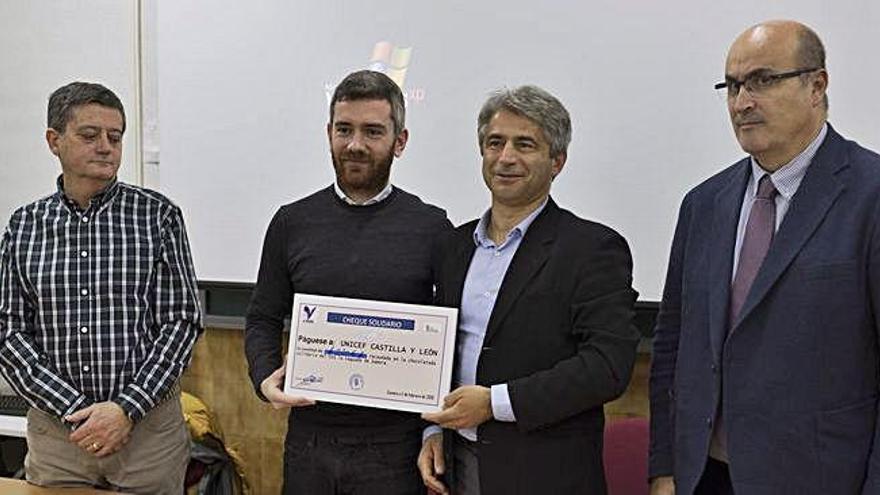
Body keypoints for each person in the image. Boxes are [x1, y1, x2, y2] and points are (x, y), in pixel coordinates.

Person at [649, 20, 880, 495]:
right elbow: (673, 344)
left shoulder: (870, 195)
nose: (741, 102)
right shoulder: (704, 204)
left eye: (762, 80)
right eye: (732, 86)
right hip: (704, 476)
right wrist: (665, 468)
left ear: (817, 85)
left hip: (822, 477)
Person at [418, 85, 640, 494]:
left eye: (525, 145)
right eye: (494, 143)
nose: (506, 158)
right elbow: (440, 351)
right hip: (458, 465)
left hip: (546, 473)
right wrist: (432, 429)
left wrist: (494, 403)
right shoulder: (453, 246)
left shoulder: (592, 249)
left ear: (557, 161)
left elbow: (607, 366)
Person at [244, 69, 451, 494]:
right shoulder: (291, 222)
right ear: (329, 133)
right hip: (310, 439)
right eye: (344, 129)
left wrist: (434, 430)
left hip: (395, 446)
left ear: (400, 141)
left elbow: (451, 337)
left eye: (373, 131)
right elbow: (263, 317)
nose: (355, 144)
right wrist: (265, 377)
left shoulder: (433, 228)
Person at [0, 81, 202, 494]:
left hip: (147, 434)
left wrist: (126, 409)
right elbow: (8, 331)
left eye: (115, 136)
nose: (106, 147)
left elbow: (181, 322)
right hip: (59, 436)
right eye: (90, 135)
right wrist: (75, 410)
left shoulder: (157, 217)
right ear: (54, 141)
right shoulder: (24, 226)